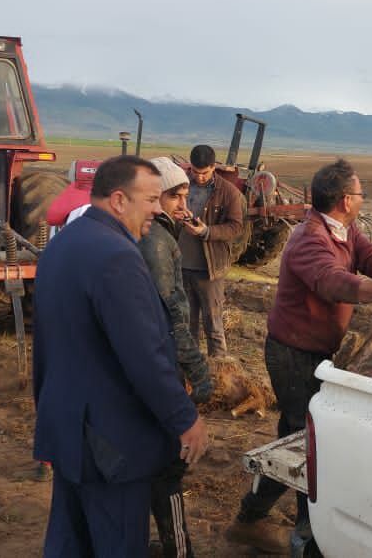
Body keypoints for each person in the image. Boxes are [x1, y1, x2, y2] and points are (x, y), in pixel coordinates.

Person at [224, 159, 372, 556]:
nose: (362, 198)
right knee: (308, 445)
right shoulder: (309, 239)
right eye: (361, 193)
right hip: (293, 355)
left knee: (293, 437)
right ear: (346, 200)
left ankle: (249, 518)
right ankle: (307, 536)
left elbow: (368, 254)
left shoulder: (342, 229)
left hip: (314, 352)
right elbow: (333, 283)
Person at [33, 155, 209, 556]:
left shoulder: (63, 245)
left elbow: (46, 344)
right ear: (118, 200)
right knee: (118, 542)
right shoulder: (117, 257)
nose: (156, 208)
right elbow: (143, 353)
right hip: (110, 441)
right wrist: (184, 418)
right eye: (150, 199)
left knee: (69, 537)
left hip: (66, 426)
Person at [139, 157, 216, 558]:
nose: (183, 202)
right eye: (175, 195)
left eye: (186, 194)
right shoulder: (155, 241)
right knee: (168, 465)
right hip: (162, 358)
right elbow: (170, 308)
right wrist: (197, 367)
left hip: (156, 357)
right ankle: (179, 550)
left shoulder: (162, 233)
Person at [178, 144, 246, 357]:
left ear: (213, 167)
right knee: (186, 327)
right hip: (181, 266)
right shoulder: (181, 187)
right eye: (195, 172)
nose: (199, 177)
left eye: (204, 173)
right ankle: (190, 375)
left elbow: (235, 227)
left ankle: (220, 375)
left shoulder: (229, 193)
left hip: (209, 269)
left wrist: (206, 231)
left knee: (214, 326)